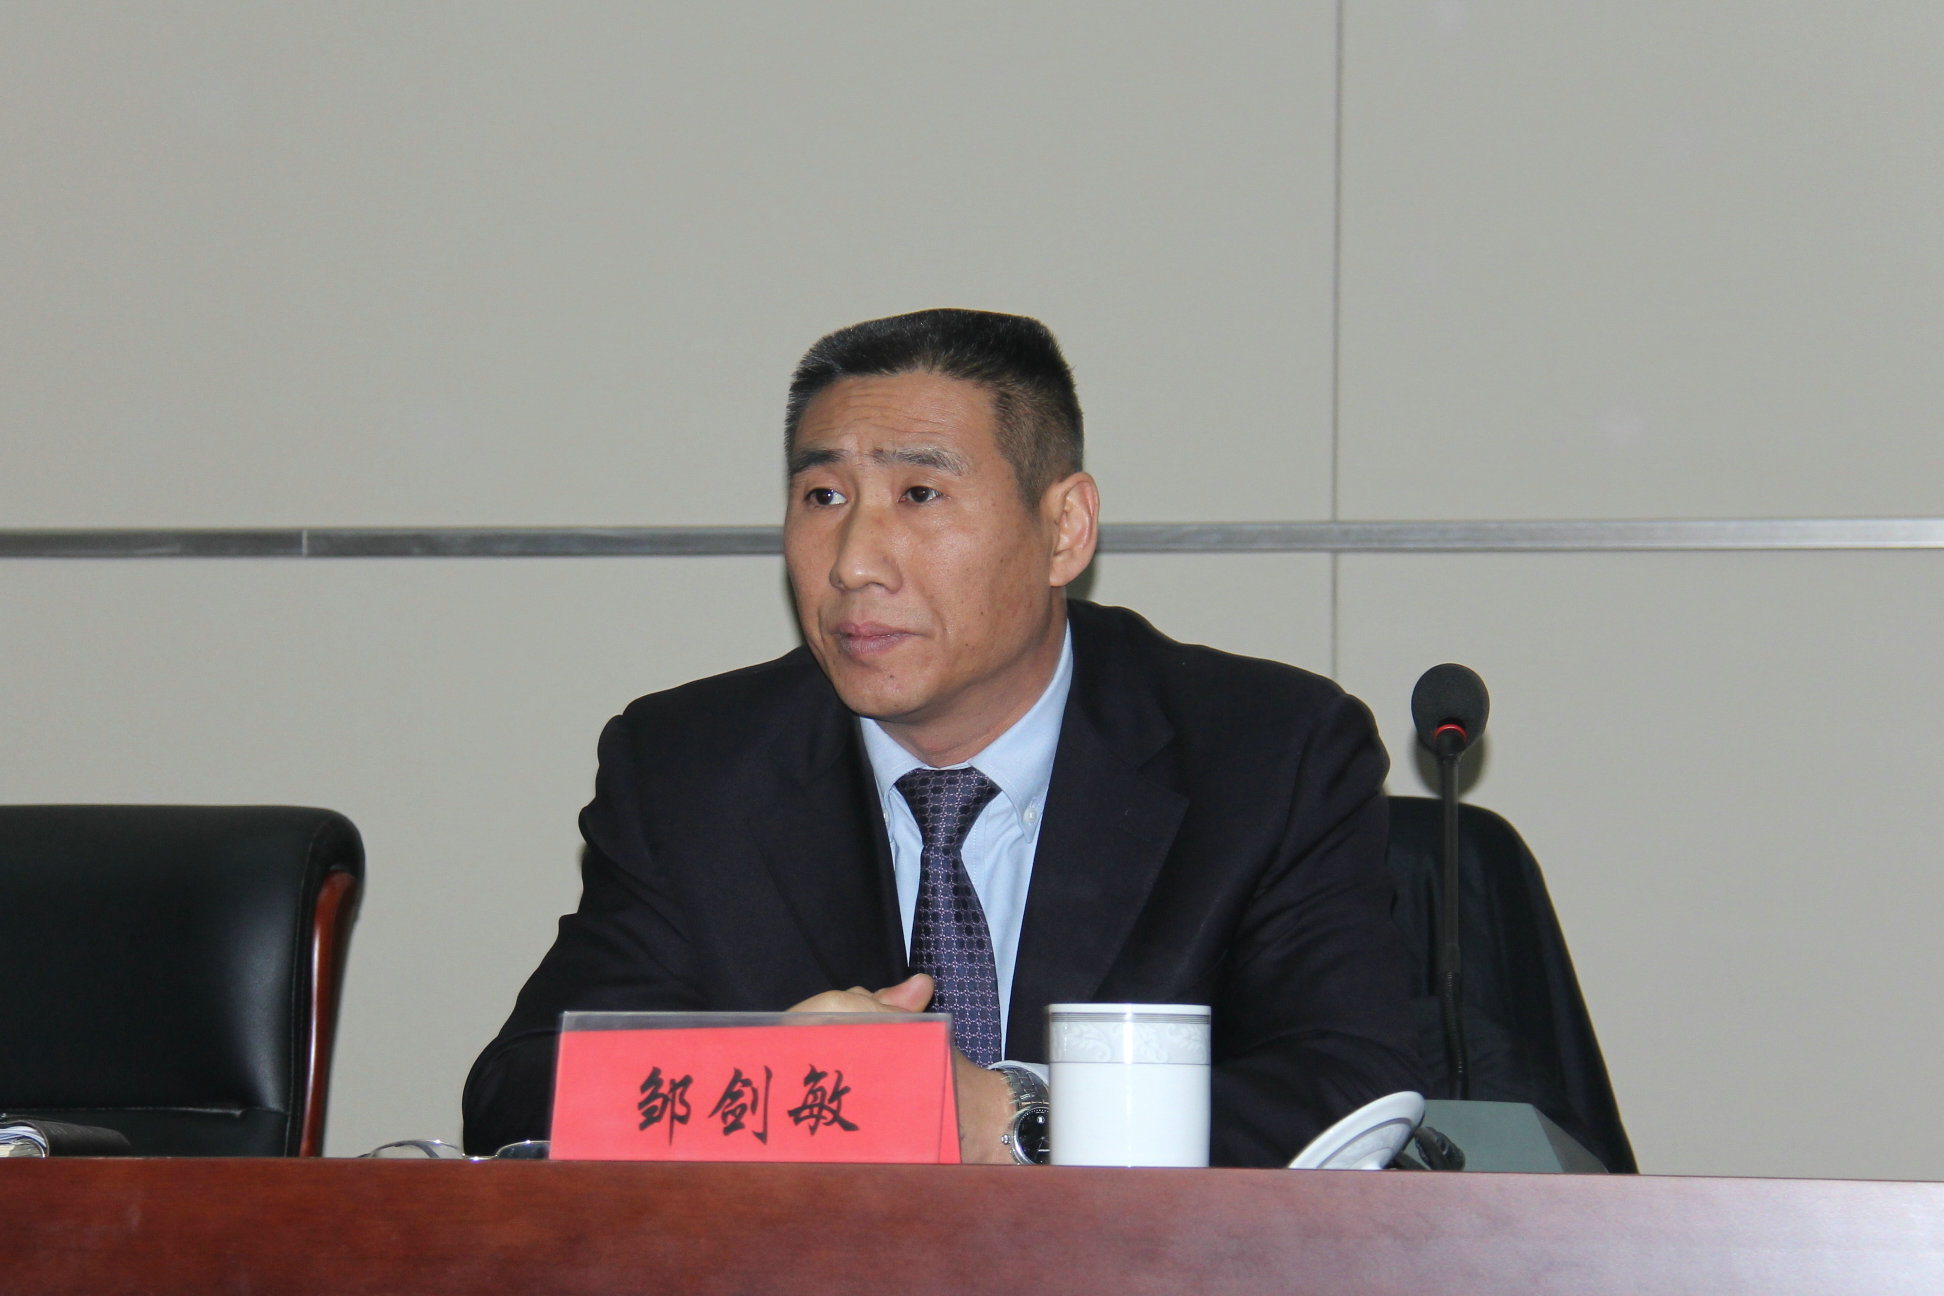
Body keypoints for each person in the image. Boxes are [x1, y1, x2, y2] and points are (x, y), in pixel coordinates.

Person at [462, 308, 1423, 1165]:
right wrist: (769, 1083)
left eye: (920, 494)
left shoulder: (1266, 753)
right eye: (824, 497)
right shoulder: (690, 767)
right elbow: (516, 1095)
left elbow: (1355, 1087)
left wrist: (1014, 1116)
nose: (854, 564)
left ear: (1064, 528)